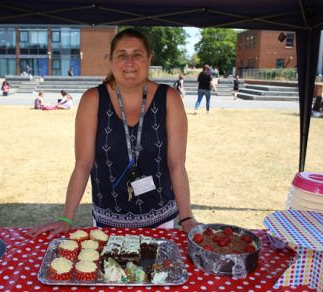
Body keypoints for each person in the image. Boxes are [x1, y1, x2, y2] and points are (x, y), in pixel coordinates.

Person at [28, 28, 199, 238]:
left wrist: (186, 217)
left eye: (137, 55)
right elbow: (83, 165)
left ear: (149, 58)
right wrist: (66, 218)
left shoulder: (169, 97)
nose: (129, 62)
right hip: (108, 223)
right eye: (122, 55)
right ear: (111, 60)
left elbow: (176, 164)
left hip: (160, 222)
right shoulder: (93, 99)